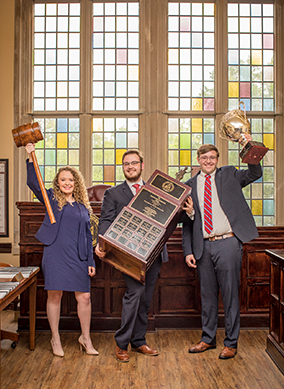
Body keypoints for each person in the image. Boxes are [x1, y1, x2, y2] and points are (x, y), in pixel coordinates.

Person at [95, 149, 189, 363]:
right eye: (126, 164)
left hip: (154, 255)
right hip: (128, 255)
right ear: (123, 167)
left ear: (142, 165)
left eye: (134, 163)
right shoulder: (114, 194)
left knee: (145, 300)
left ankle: (138, 341)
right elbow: (106, 221)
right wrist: (101, 243)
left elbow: (175, 216)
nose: (130, 167)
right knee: (135, 294)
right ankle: (122, 344)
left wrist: (188, 211)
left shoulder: (157, 191)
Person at [182, 139, 262, 360]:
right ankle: (207, 339)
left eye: (212, 158)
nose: (208, 161)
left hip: (228, 243)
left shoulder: (230, 174)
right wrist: (188, 250)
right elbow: (186, 223)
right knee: (207, 296)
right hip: (203, 246)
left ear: (217, 160)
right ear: (198, 160)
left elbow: (255, 174)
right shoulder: (188, 186)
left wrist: (249, 146)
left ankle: (231, 342)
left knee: (230, 295)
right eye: (204, 158)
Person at [25, 143, 98, 357]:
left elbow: (88, 236)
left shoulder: (83, 207)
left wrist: (91, 262)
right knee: (54, 296)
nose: (67, 182)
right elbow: (32, 181)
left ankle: (85, 338)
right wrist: (30, 155)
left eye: (71, 179)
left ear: (76, 183)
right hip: (55, 254)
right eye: (63, 179)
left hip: (79, 256)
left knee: (84, 297)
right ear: (58, 182)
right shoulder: (51, 199)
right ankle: (55, 338)